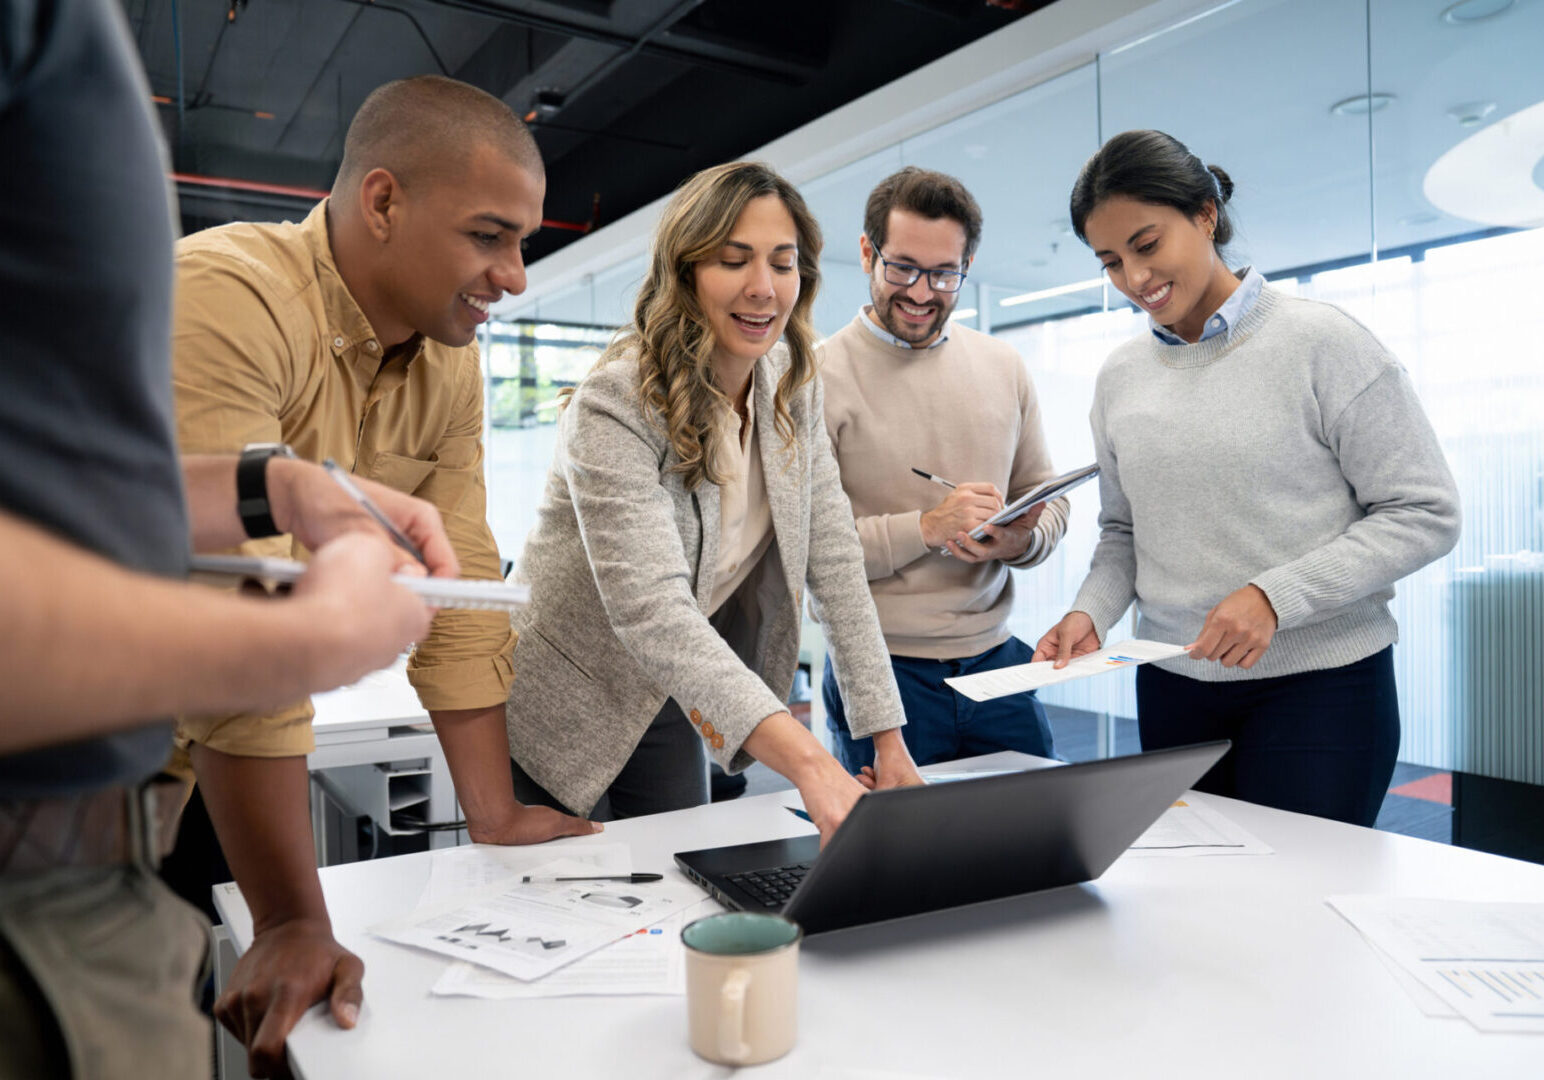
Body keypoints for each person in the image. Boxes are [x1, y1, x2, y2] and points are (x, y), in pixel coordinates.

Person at [0, 3, 450, 1076]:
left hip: (90, 895)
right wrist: (304, 640)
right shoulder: (240, 285)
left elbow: (56, 494)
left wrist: (270, 489)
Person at [168, 75, 597, 1074]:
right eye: (489, 236)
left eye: (522, 242)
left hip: (207, 762)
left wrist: (489, 812)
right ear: (382, 201)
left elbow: (459, 580)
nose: (516, 276)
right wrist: (288, 916)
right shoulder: (230, 294)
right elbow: (244, 612)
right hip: (91, 752)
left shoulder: (447, 359)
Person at [1033, 129, 1461, 826]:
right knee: (1199, 909)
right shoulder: (1119, 379)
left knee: (1302, 914)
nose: (1134, 280)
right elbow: (1124, 531)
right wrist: (1090, 612)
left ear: (1205, 214)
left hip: (1321, 692)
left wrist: (1274, 596)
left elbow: (1425, 512)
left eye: (1146, 245)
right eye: (1110, 262)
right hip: (1174, 688)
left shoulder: (1324, 343)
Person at [504, 162, 923, 844]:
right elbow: (654, 610)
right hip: (562, 697)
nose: (763, 288)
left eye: (781, 263)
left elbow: (837, 564)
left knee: (680, 880)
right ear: (687, 270)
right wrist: (812, 763)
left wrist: (888, 742)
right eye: (734, 261)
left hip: (672, 692)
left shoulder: (793, 383)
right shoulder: (616, 403)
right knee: (567, 903)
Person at [819, 167, 1069, 770]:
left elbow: (1051, 500)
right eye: (901, 267)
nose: (922, 292)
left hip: (999, 665)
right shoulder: (813, 378)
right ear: (865, 252)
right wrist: (928, 528)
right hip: (879, 671)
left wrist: (1019, 539)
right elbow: (810, 553)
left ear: (968, 263)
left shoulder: (1003, 365)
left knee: (1037, 849)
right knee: (893, 860)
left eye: (944, 273)